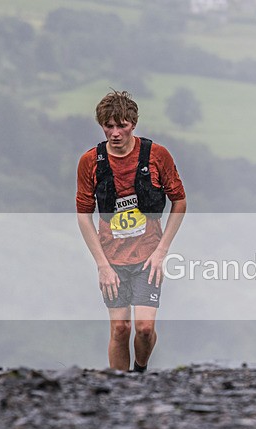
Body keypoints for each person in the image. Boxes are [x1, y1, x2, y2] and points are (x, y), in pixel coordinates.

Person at [76, 90, 187, 372]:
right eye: (108, 126)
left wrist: (162, 252)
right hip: (111, 258)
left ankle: (139, 371)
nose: (115, 133)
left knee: (145, 329)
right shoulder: (90, 162)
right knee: (121, 329)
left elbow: (180, 201)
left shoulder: (157, 156)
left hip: (148, 257)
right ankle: (120, 390)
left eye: (121, 125)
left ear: (133, 123)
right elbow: (83, 215)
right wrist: (102, 265)